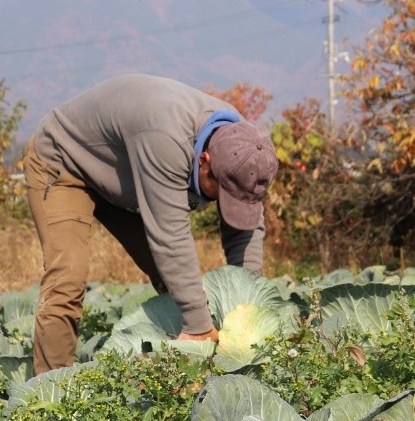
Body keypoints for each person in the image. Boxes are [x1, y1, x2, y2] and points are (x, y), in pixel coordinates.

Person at [23, 73, 279, 374]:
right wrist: (198, 328)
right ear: (204, 160)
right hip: (65, 163)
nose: (224, 202)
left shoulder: (245, 150)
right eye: (220, 192)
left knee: (175, 282)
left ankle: (174, 374)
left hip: (127, 175)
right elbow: (170, 236)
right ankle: (49, 395)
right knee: (67, 280)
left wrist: (244, 313)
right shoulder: (167, 138)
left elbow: (245, 233)